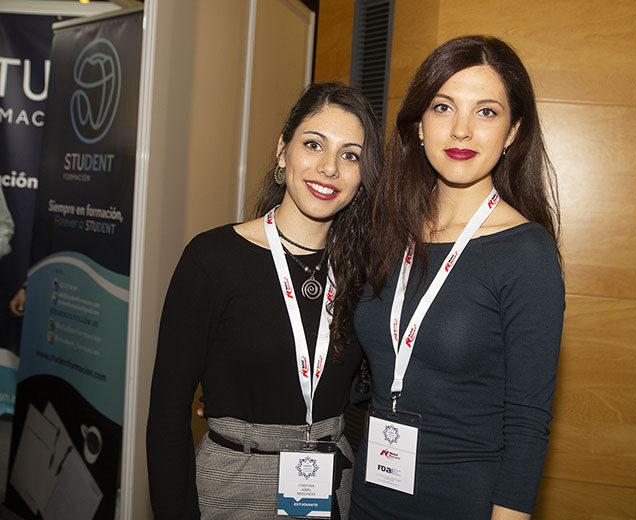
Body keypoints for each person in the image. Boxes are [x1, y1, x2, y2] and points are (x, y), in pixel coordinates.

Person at [349, 36, 565, 519]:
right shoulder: (390, 231)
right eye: (443, 107)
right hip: (368, 496)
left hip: (464, 502)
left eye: (486, 112)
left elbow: (528, 423)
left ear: (512, 132)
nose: (462, 130)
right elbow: (356, 368)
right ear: (419, 125)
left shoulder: (525, 252)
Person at [146, 83, 381, 520]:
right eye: (314, 145)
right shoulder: (212, 259)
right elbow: (166, 416)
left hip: (332, 488)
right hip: (232, 487)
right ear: (282, 151)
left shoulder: (366, 272)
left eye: (350, 155)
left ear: (363, 175)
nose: (329, 168)